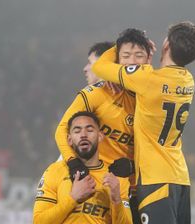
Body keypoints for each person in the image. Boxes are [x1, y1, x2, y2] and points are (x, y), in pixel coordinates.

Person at [92, 21, 195, 224]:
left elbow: (99, 66)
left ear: (166, 45)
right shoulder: (188, 81)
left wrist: (121, 47)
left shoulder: (146, 79)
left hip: (155, 181)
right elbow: (158, 83)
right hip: (180, 178)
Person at [55, 30, 152, 223]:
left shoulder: (150, 96)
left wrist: (132, 166)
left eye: (138, 55)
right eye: (126, 55)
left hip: (133, 189)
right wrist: (74, 164)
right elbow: (62, 130)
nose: (132, 61)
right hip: (95, 184)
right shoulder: (96, 93)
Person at [33, 111, 132, 223]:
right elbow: (38, 221)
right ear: (69, 140)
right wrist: (73, 198)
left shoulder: (116, 179)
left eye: (89, 130)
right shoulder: (54, 171)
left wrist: (116, 200)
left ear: (100, 136)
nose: (83, 135)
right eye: (77, 131)